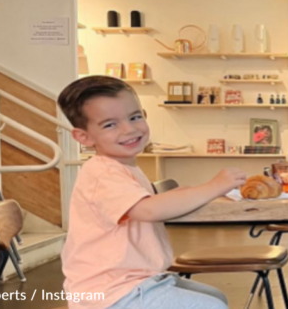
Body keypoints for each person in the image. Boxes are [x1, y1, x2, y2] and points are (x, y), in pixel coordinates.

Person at [58, 76, 247, 309]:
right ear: (84, 137)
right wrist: (214, 186)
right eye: (110, 124)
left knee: (216, 298)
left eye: (135, 117)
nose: (129, 129)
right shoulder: (102, 173)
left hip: (137, 281)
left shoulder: (123, 168)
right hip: (111, 291)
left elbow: (152, 202)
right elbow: (147, 209)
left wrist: (189, 192)